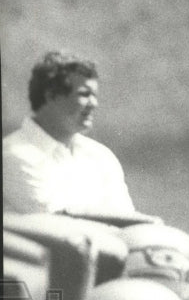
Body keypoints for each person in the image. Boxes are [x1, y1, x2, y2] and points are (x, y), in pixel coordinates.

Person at [2, 51, 158, 225]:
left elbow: (127, 219)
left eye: (95, 95)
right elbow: (59, 223)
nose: (94, 104)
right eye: (85, 94)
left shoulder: (100, 156)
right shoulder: (13, 155)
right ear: (51, 95)